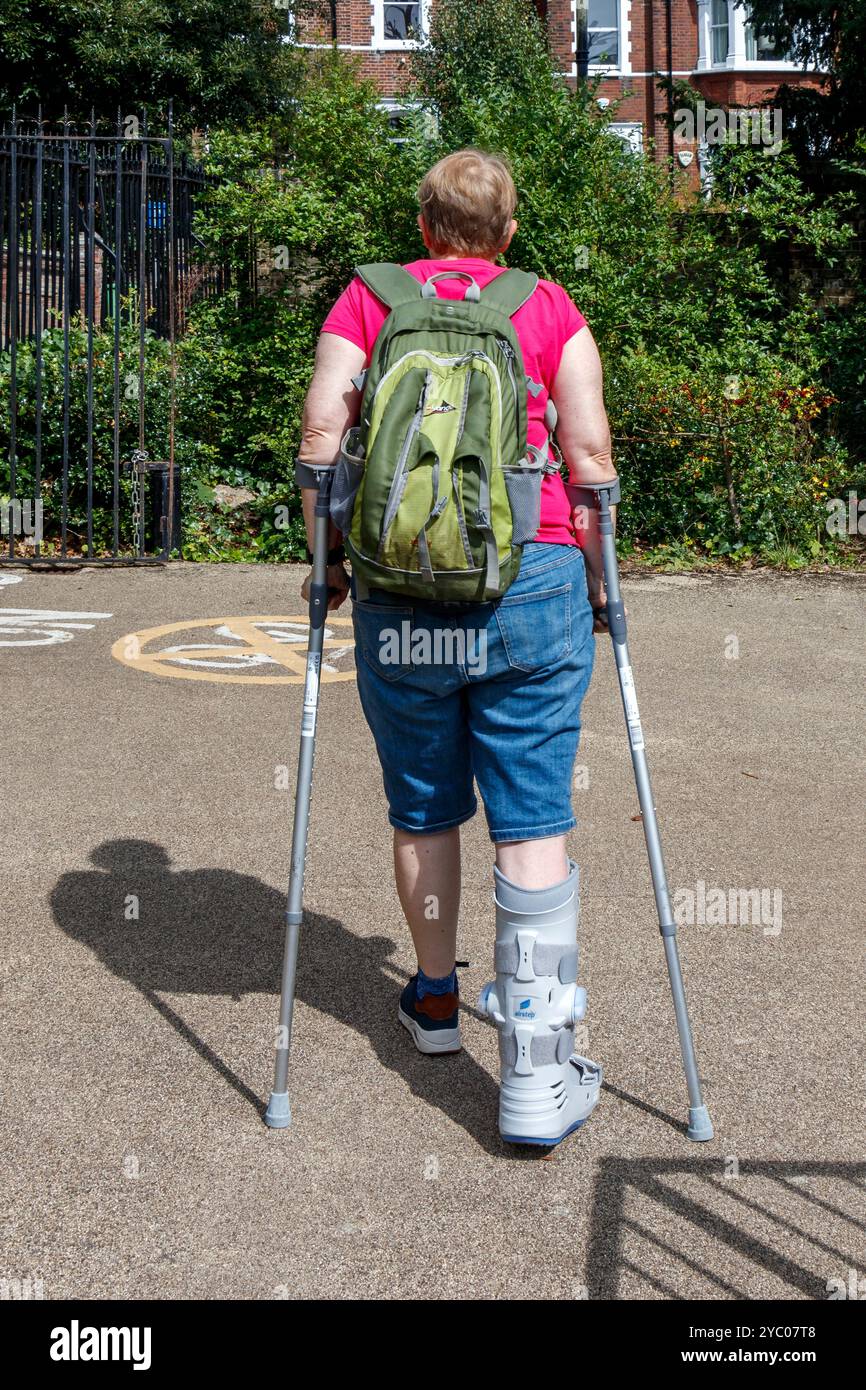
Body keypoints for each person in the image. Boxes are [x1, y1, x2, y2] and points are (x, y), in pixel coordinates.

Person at [297, 148, 618, 1145]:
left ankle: (434, 1001)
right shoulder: (548, 308)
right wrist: (601, 584)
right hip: (530, 584)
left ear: (425, 226)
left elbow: (319, 439)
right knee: (529, 819)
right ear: (508, 231)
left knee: (425, 804)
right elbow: (589, 458)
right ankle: (534, 1071)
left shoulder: (368, 299)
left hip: (397, 595)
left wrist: (329, 565)